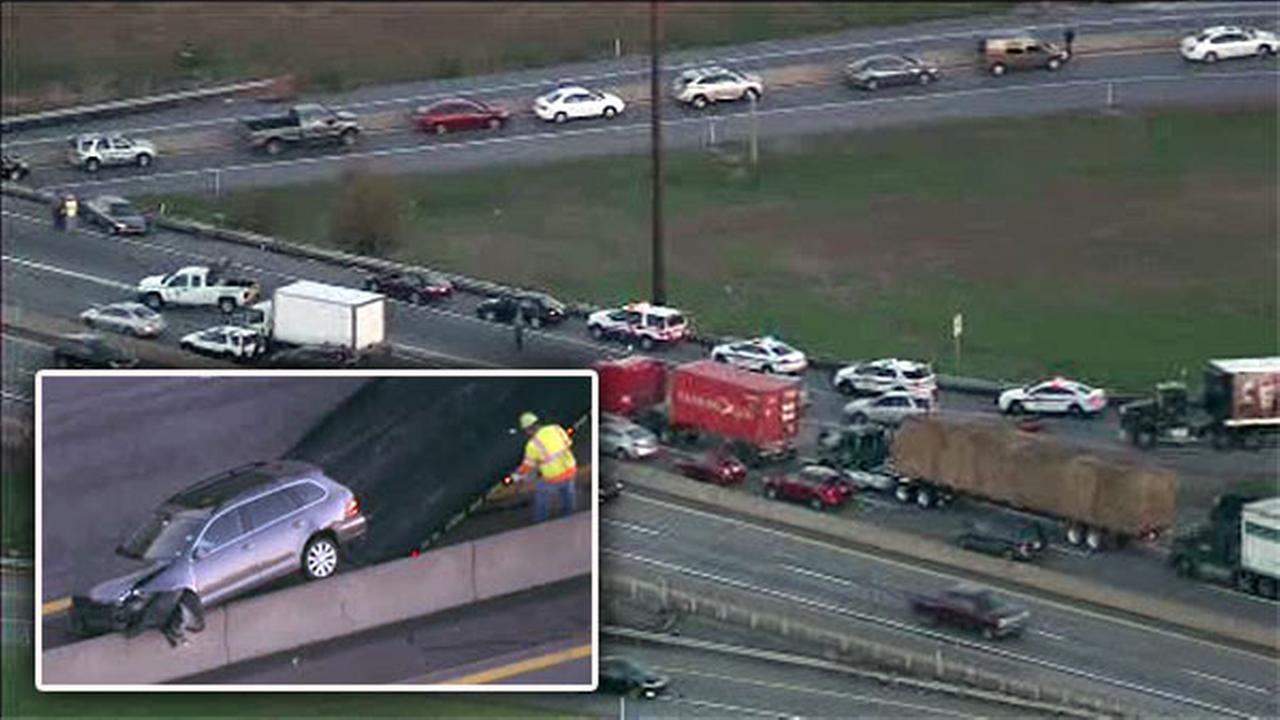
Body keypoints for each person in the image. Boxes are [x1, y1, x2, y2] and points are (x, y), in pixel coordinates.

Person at [515, 411, 577, 522]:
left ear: (528, 429)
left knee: (542, 494)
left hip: (554, 477)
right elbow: (567, 443)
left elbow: (527, 466)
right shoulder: (556, 428)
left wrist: (517, 476)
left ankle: (541, 522)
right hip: (570, 468)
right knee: (568, 494)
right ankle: (570, 516)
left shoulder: (532, 445)